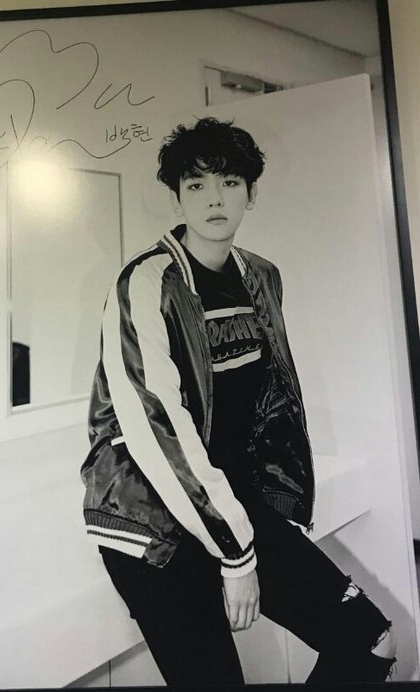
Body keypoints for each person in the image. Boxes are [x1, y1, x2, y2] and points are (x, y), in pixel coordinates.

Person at [81, 117, 397, 685]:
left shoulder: (261, 276)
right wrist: (237, 554)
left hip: (230, 499)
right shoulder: (144, 285)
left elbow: (271, 396)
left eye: (229, 182)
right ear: (177, 197)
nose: (214, 198)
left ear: (251, 193)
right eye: (196, 184)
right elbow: (157, 427)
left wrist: (273, 505)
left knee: (371, 642)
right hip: (151, 518)